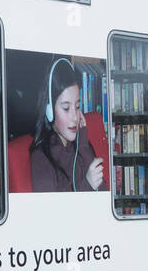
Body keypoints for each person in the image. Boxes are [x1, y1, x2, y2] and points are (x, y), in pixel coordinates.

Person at [30, 57, 104, 192]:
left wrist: (84, 147)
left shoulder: (80, 145)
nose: (75, 117)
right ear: (49, 110)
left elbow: (104, 195)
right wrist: (87, 185)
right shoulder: (42, 159)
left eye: (77, 106)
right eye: (66, 108)